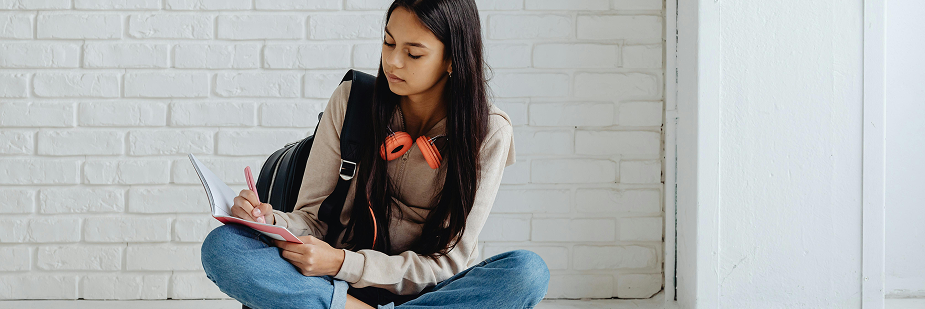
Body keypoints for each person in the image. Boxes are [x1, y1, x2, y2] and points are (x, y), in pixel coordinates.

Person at [200, 0, 550, 308]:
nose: (393, 62)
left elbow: (447, 263)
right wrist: (269, 221)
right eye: (388, 42)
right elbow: (312, 219)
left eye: (414, 53)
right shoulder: (353, 101)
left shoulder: (487, 132)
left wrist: (341, 262)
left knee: (527, 272)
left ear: (452, 60)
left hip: (429, 291)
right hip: (336, 286)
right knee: (223, 247)